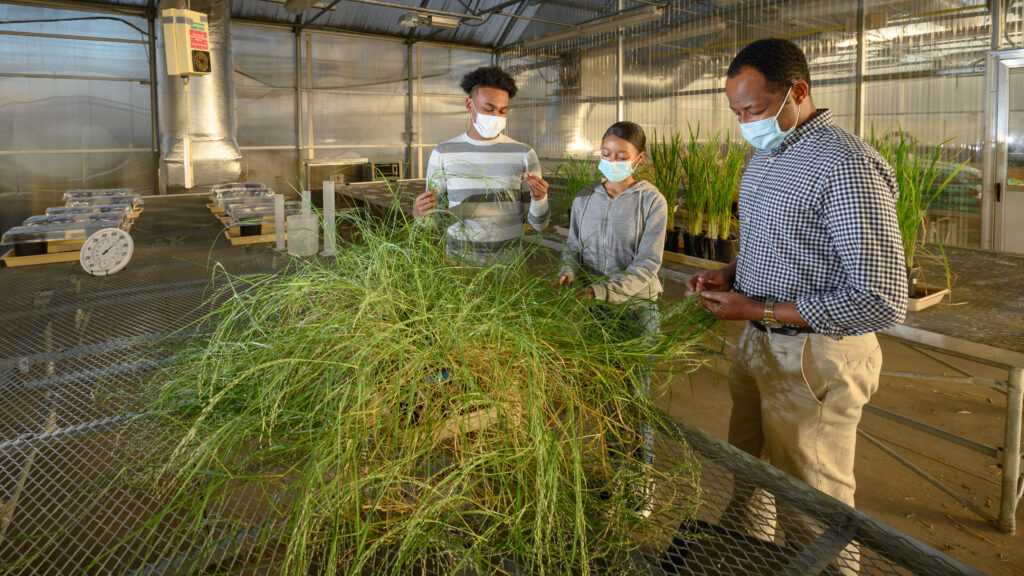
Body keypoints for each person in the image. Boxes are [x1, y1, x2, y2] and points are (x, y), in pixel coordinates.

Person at [684, 38, 907, 548]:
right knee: (750, 477)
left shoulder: (845, 163)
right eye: (736, 112)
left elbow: (881, 297)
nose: (745, 123)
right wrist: (733, 273)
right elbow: (782, 242)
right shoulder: (765, 155)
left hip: (813, 356)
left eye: (755, 109)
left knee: (810, 502)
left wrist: (758, 307)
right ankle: (750, 557)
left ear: (798, 92)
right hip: (759, 343)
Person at [558, 121, 667, 514]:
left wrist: (600, 289)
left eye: (622, 156)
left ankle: (641, 480)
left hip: (635, 312)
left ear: (639, 158)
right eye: (606, 154)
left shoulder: (650, 201)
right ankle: (614, 471)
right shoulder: (585, 198)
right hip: (594, 312)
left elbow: (647, 265)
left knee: (634, 397)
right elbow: (572, 247)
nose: (613, 161)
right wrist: (567, 272)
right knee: (604, 396)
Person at [413, 66, 549, 265]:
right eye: (488, 108)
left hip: (508, 268)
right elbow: (434, 221)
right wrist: (420, 214)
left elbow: (539, 225)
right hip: (459, 266)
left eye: (502, 111)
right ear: (470, 105)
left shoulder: (523, 154)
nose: (496, 116)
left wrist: (540, 199)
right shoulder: (443, 153)